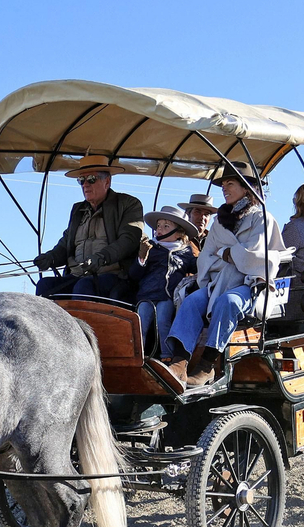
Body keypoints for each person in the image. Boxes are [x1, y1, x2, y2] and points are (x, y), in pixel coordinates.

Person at [162, 162, 288, 388]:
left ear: (246, 188)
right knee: (191, 302)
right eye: (223, 184)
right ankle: (179, 363)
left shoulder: (262, 219)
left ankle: (207, 366)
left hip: (249, 286)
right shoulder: (220, 221)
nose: (224, 188)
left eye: (230, 183)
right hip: (217, 282)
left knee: (228, 301)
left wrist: (226, 252)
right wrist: (230, 256)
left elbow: (256, 261)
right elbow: (204, 259)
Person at [33, 155, 145, 298]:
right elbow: (65, 244)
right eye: (81, 180)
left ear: (107, 182)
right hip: (77, 275)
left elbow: (129, 240)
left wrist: (102, 257)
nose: (85, 184)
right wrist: (50, 258)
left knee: (84, 286)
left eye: (91, 179)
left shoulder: (128, 204)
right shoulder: (78, 210)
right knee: (45, 286)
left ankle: (79, 322)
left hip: (112, 275)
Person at [127, 206, 199, 356]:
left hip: (167, 296)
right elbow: (135, 274)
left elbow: (197, 266)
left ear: (179, 233)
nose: (160, 229)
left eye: (166, 226)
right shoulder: (150, 248)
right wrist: (142, 258)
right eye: (159, 226)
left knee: (163, 323)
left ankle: (167, 356)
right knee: (141, 326)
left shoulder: (185, 252)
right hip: (146, 295)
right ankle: (136, 356)